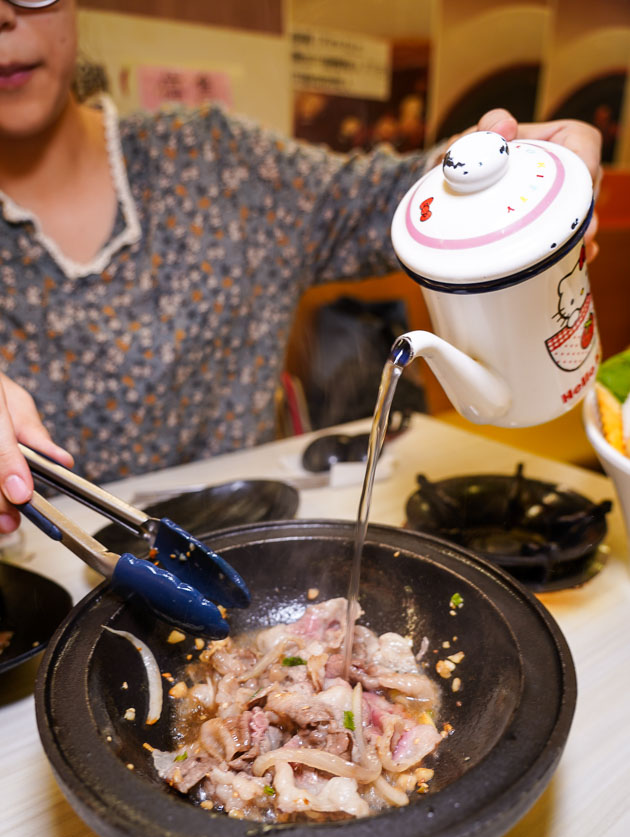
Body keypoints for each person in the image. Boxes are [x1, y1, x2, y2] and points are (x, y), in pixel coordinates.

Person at [0, 0, 602, 534]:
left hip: (254, 547)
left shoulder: (215, 162)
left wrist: (518, 165)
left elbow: (385, 200)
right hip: (47, 577)